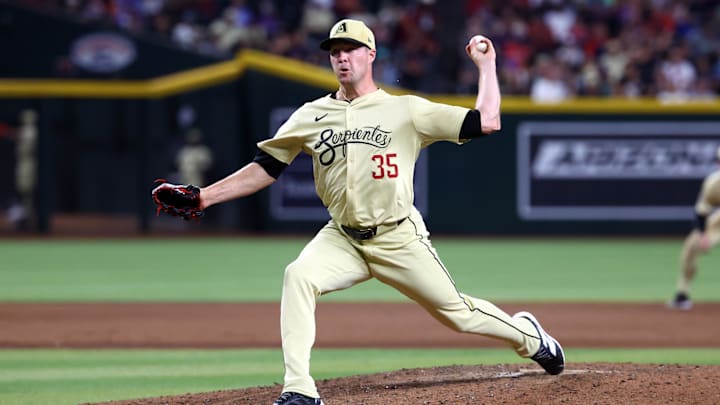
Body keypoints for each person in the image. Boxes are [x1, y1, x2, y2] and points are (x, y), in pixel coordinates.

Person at [156, 19, 565, 405]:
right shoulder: (311, 115)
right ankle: (300, 389)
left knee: (458, 314)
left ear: (371, 55)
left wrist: (487, 64)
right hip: (343, 237)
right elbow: (267, 167)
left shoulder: (406, 110)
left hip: (398, 236)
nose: (342, 57)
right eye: (335, 51)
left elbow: (487, 121)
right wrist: (205, 197)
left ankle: (532, 338)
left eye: (351, 48)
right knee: (298, 275)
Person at [668, 146, 720, 310]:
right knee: (692, 244)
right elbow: (701, 212)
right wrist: (703, 235)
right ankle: (682, 294)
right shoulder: (713, 184)